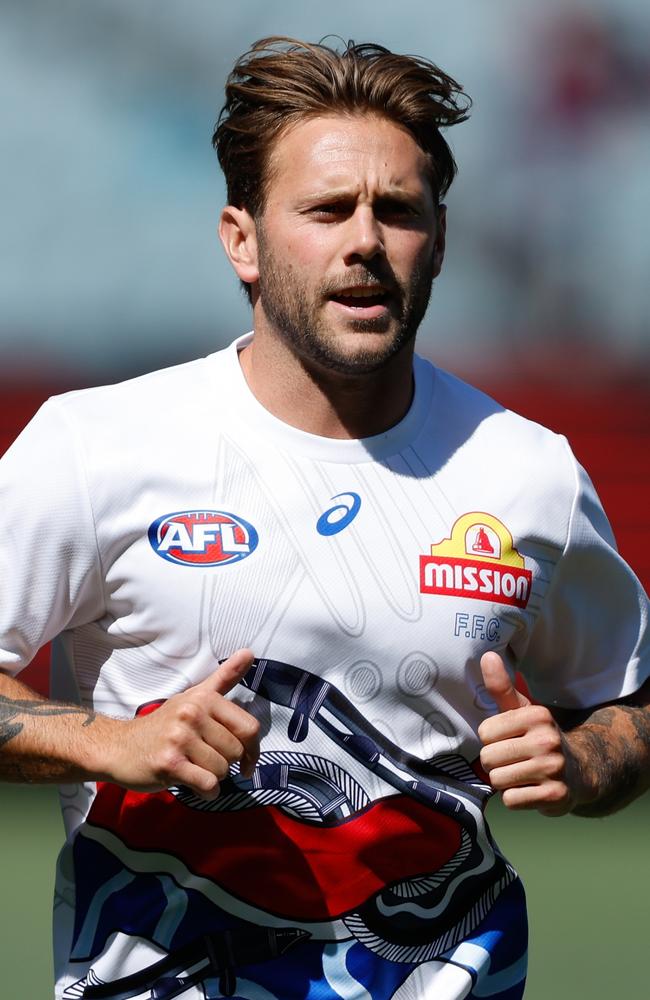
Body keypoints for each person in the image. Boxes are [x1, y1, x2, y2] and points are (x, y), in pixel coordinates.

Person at [1, 36, 649, 1000]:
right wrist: (108, 743)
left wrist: (583, 759)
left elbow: (630, 702)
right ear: (242, 240)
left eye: (397, 211)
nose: (364, 240)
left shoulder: (529, 475)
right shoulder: (94, 447)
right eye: (326, 209)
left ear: (438, 238)